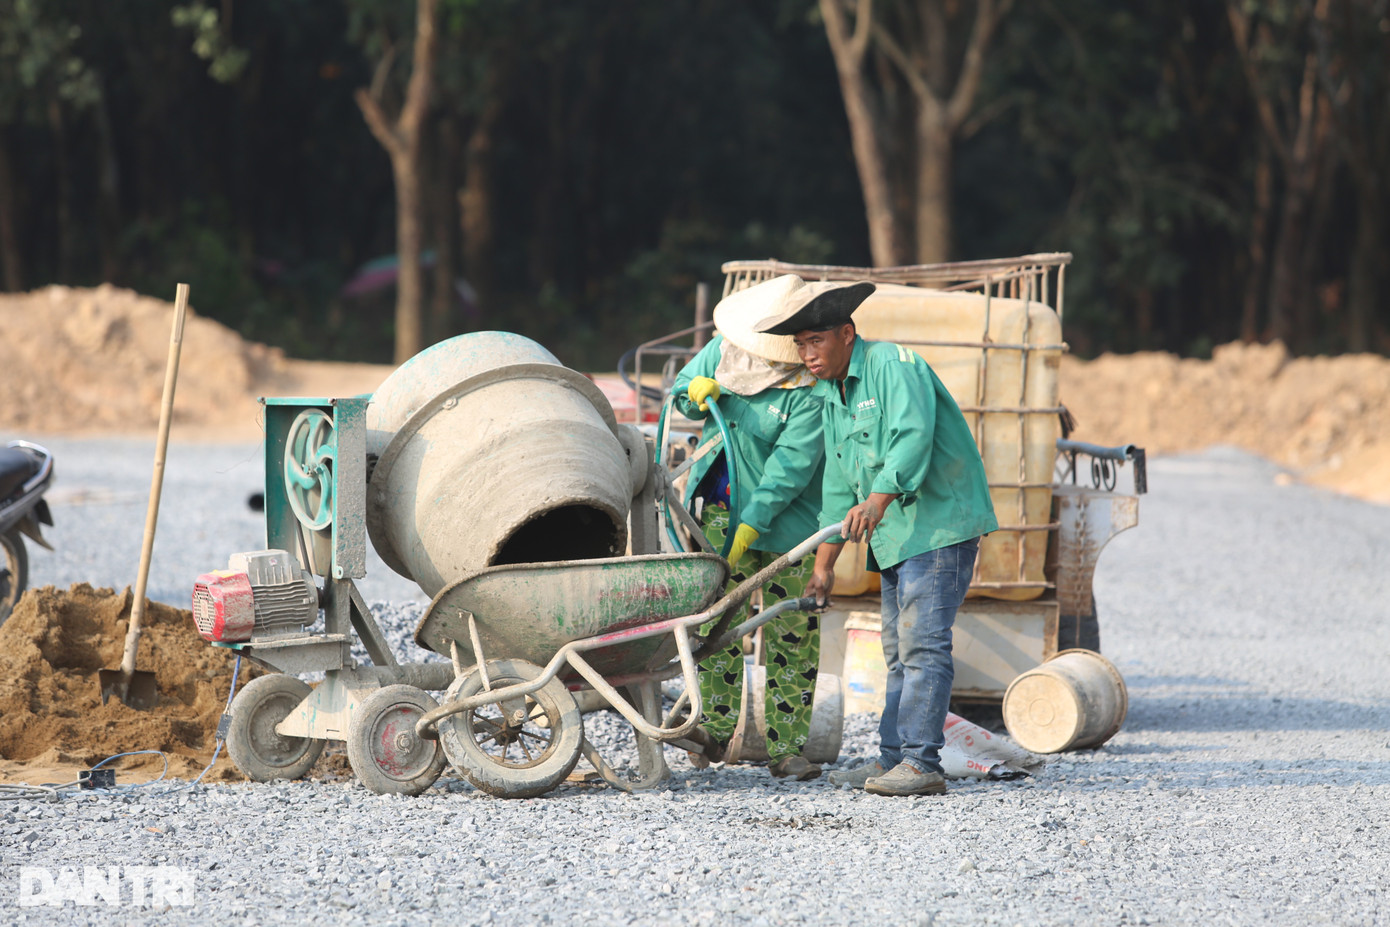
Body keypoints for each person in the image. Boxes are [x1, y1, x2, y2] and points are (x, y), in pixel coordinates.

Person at [755, 279, 998, 797]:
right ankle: (894, 758)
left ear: (847, 334)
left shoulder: (892, 366)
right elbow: (839, 481)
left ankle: (921, 763)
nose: (808, 354)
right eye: (800, 345)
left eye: (816, 341)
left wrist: (880, 498)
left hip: (936, 526)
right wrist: (824, 564)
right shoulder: (830, 395)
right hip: (897, 536)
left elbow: (913, 436)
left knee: (923, 645)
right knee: (897, 649)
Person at [669, 274, 835, 781]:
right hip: (717, 510)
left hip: (787, 521)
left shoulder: (808, 387)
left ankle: (787, 748)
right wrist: (692, 395)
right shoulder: (725, 349)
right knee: (716, 622)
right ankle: (714, 735)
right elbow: (680, 394)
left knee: (789, 626)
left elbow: (790, 469)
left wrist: (751, 527)